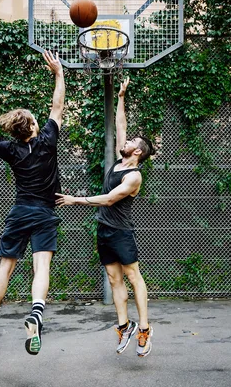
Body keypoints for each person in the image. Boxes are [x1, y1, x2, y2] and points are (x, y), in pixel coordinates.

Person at [56, 77, 155, 357]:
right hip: (104, 229)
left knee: (133, 276)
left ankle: (145, 329)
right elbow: (120, 126)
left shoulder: (134, 176)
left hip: (122, 232)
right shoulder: (120, 160)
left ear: (137, 152)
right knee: (113, 279)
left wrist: (76, 199)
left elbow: (111, 199)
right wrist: (122, 97)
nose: (126, 141)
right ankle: (124, 326)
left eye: (132, 142)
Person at [0, 51, 65, 356]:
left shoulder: (10, 150)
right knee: (41, 265)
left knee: (6, 266)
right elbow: (57, 105)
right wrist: (58, 73)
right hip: (44, 212)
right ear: (33, 127)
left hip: (19, 212)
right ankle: (36, 314)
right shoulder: (48, 140)